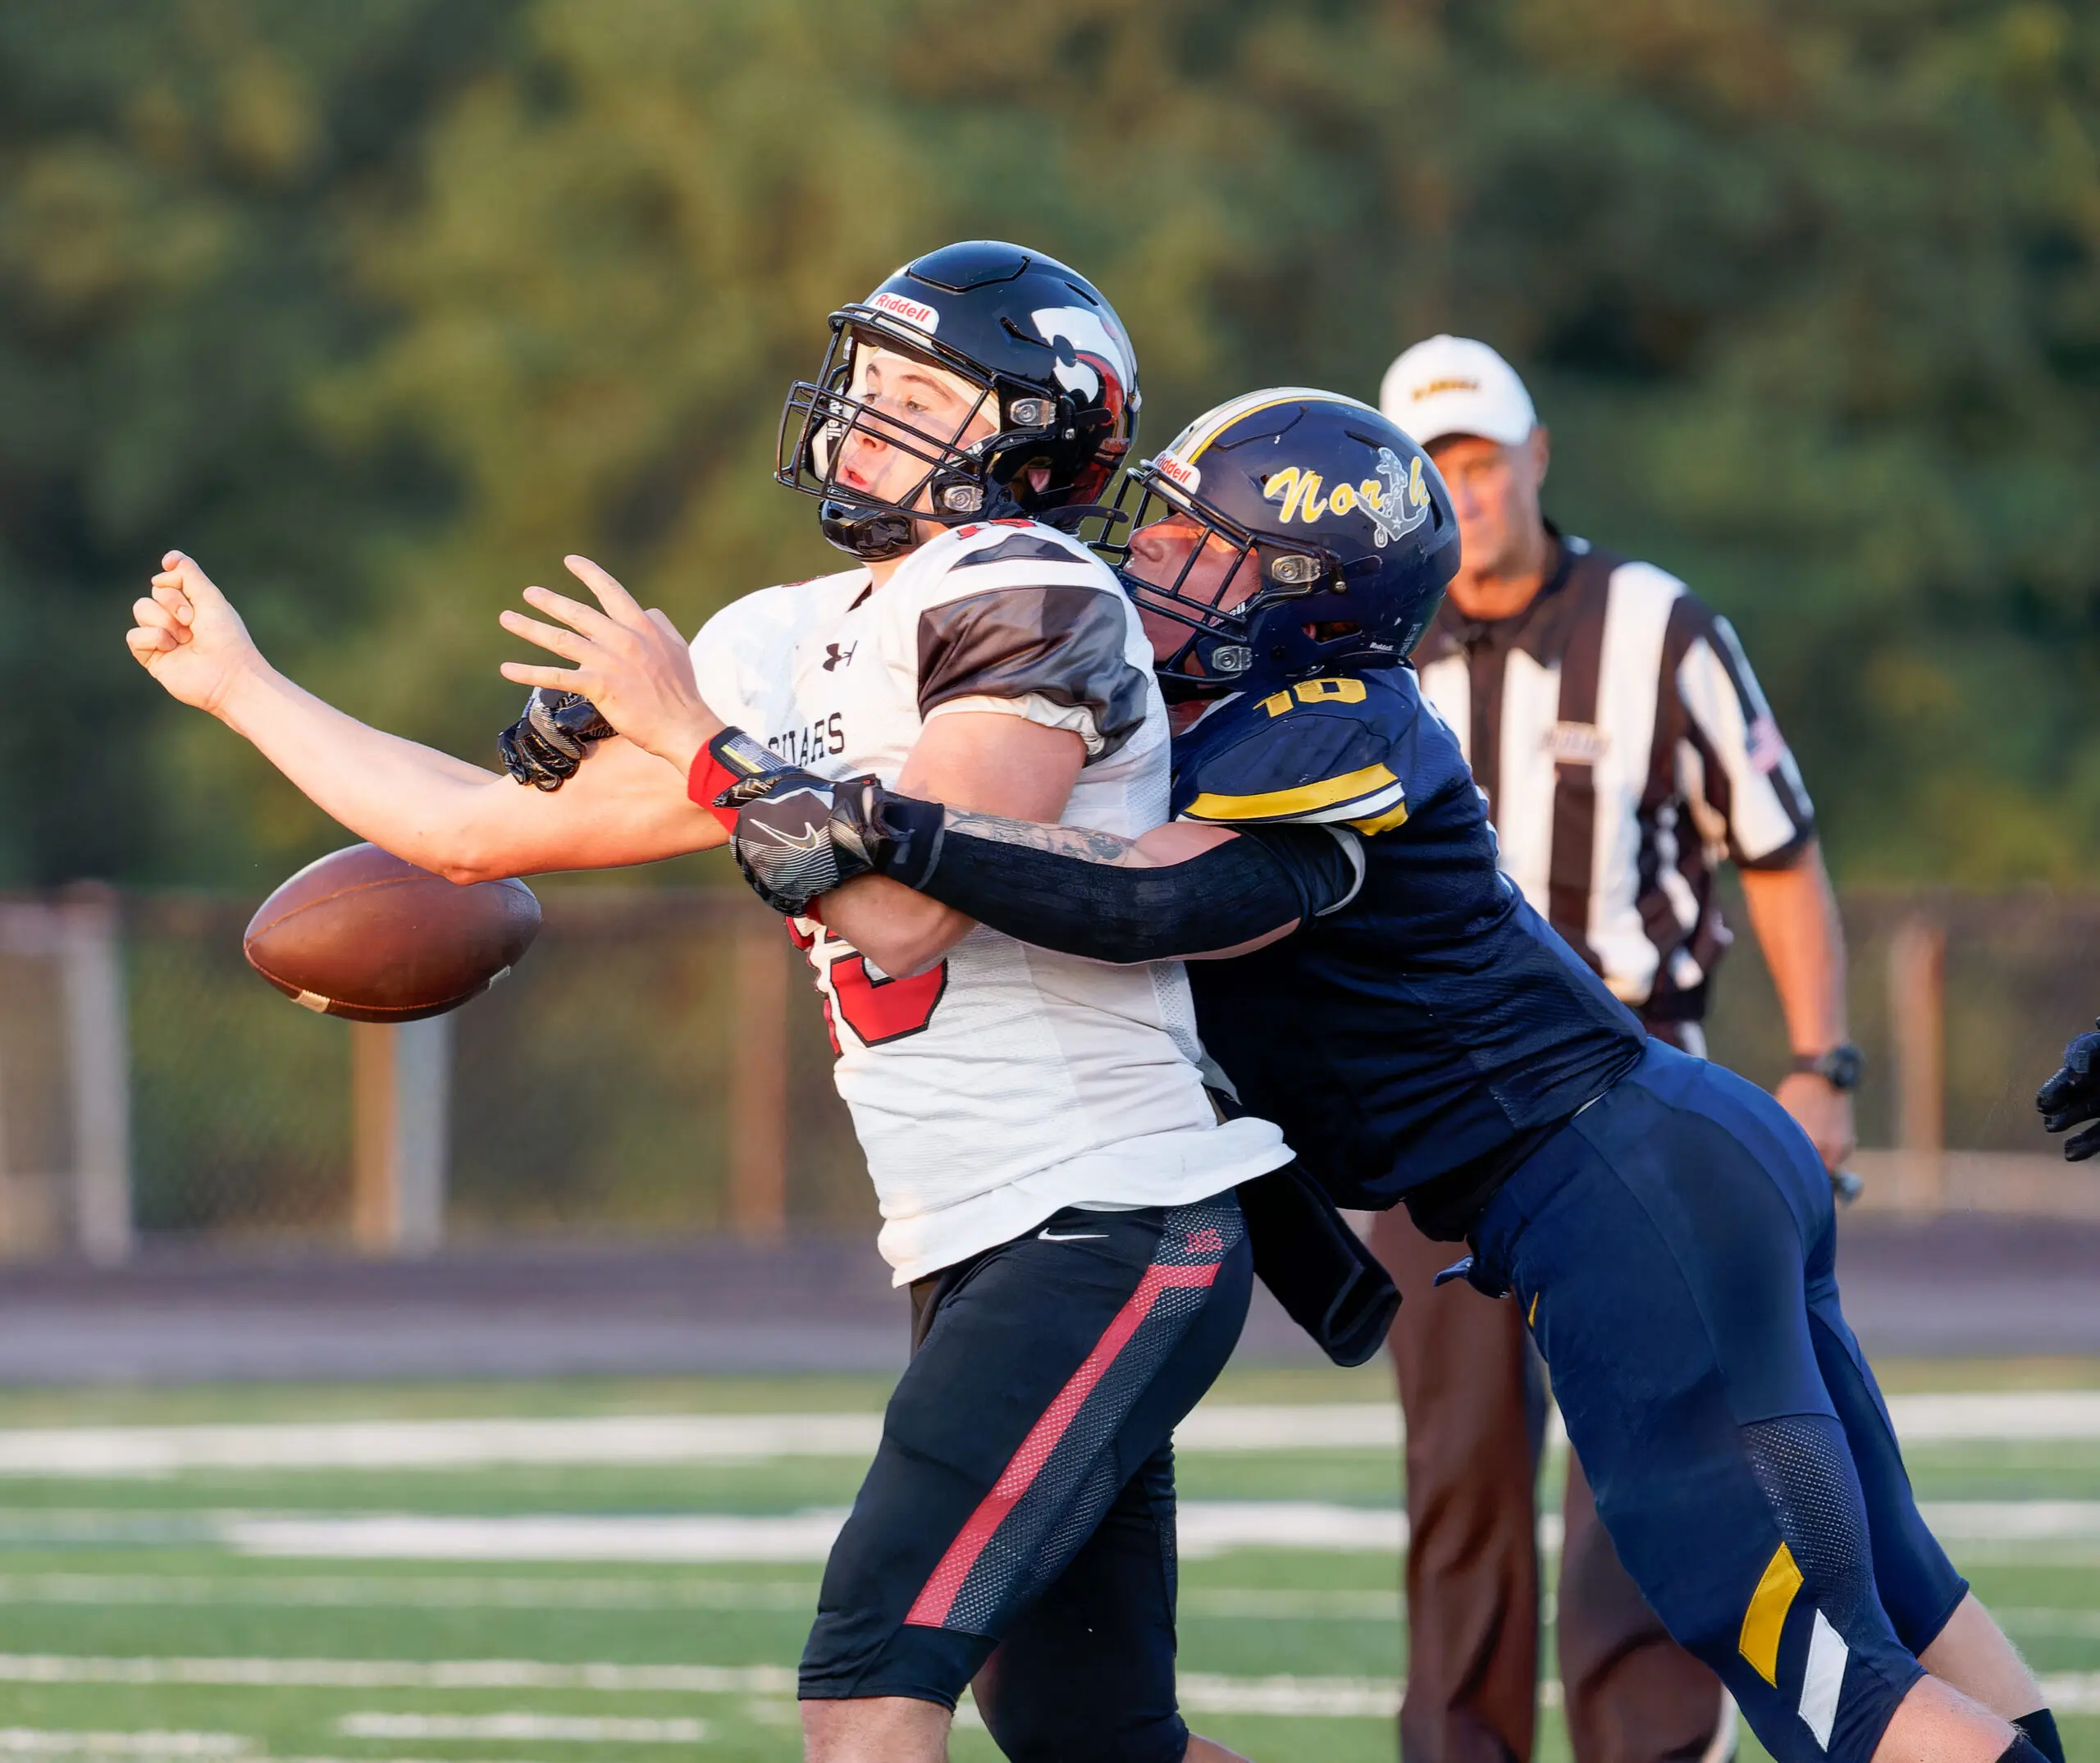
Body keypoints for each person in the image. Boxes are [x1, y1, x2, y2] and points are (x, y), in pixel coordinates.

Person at [646, 387, 2065, 1763]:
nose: (1148, 553)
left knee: (1810, 1665)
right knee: (1906, 1596)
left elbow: (1149, 899)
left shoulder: (1332, 717)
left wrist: (860, 823)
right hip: (1660, 1159)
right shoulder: (1217, 708)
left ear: (1305, 595)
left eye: (1198, 539)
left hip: (1617, 1185)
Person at [126, 240, 1290, 1763]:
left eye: (919, 396)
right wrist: (242, 687)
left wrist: (695, 739)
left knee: (865, 1692)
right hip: (980, 1233)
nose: (865, 417)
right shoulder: (783, 636)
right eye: (868, 379)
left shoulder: (1029, 587)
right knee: (1097, 1741)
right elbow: (468, 832)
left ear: (1032, 439)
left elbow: (915, 913)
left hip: (1106, 1215)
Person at [1364, 332, 1864, 1763]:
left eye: (1479, 459)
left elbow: (1776, 847)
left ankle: (1645, 1749)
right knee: (1459, 1472)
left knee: (1646, 1466)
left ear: (1536, 457)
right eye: (1431, 469)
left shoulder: (1660, 628)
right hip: (1436, 1101)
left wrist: (1823, 1064)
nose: (1463, 492)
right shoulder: (1363, 640)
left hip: (1629, 1085)